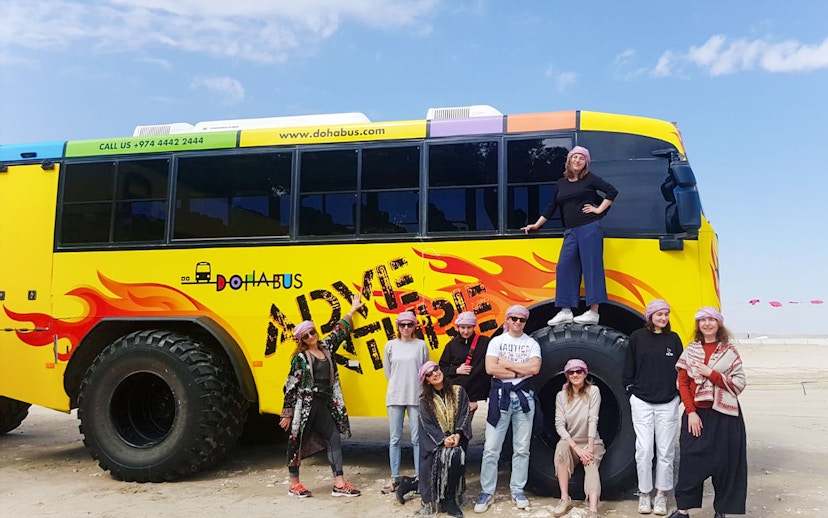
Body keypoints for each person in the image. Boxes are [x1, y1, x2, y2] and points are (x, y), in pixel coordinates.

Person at [521, 145, 618, 326]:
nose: (578, 160)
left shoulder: (589, 179)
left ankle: (593, 312)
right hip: (571, 231)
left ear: (585, 163)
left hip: (589, 228)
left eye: (582, 158)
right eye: (575, 157)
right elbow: (551, 207)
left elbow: (612, 191)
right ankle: (565, 310)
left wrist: (598, 209)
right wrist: (536, 224)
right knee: (564, 267)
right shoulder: (561, 183)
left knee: (591, 268)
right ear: (569, 160)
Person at [279, 293, 364, 498]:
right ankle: (294, 484)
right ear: (301, 340)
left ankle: (339, 483)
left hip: (324, 402)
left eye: (312, 332)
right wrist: (287, 412)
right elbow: (291, 384)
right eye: (306, 336)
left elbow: (339, 331)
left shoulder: (326, 348)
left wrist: (352, 310)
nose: (311, 336)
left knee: (333, 436)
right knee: (296, 439)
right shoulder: (300, 358)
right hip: (304, 404)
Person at [669, 307, 747, 518]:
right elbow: (682, 383)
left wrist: (711, 374)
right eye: (702, 320)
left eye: (711, 320)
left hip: (725, 416)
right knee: (691, 461)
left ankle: (721, 510)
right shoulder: (691, 350)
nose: (707, 324)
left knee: (725, 463)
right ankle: (683, 510)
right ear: (698, 325)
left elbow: (740, 384)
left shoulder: (730, 352)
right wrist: (691, 412)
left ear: (719, 324)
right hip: (697, 414)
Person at [474, 305, 541, 513]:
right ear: (507, 320)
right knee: (491, 448)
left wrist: (508, 365)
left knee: (522, 448)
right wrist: (519, 373)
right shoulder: (497, 342)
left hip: (524, 400)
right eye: (514, 318)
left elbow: (535, 369)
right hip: (501, 398)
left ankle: (517, 489)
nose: (518, 322)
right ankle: (487, 491)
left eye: (522, 320)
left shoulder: (531, 343)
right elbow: (491, 368)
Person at [623, 299, 683, 516]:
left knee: (665, 451)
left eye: (666, 314)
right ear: (650, 316)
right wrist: (631, 391)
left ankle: (660, 495)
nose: (663, 318)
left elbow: (681, 370)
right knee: (644, 450)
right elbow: (629, 367)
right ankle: (644, 493)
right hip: (641, 401)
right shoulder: (637, 337)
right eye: (659, 314)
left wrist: (677, 396)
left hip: (668, 402)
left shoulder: (674, 339)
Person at [416, 361, 472, 518]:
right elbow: (427, 426)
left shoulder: (459, 391)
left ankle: (450, 498)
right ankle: (445, 498)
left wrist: (458, 434)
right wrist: (443, 440)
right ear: (426, 380)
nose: (434, 373)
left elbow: (465, 413)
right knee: (452, 455)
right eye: (429, 373)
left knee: (456, 454)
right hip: (437, 443)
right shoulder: (424, 401)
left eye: (436, 369)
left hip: (457, 437)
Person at [551, 359, 605, 518]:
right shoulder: (561, 396)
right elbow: (559, 425)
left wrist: (588, 448)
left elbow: (592, 419)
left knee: (590, 460)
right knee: (561, 448)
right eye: (571, 372)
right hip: (572, 442)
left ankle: (593, 508)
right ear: (567, 375)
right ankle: (564, 498)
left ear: (585, 373)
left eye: (578, 371)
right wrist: (576, 448)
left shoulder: (593, 391)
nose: (575, 375)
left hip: (591, 440)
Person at [383, 310, 430, 493]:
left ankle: (419, 477)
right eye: (402, 325)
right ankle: (394, 477)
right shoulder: (390, 345)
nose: (406, 328)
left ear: (415, 326)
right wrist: (397, 383)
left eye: (409, 324)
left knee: (417, 439)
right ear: (397, 327)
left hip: (416, 395)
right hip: (395, 395)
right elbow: (388, 371)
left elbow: (424, 370)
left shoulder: (421, 345)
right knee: (394, 438)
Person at [439, 311, 490, 416]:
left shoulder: (485, 342)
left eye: (469, 327)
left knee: (464, 427)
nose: (466, 331)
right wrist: (456, 370)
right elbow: (441, 368)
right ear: (458, 327)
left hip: (475, 392)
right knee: (457, 425)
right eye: (462, 327)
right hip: (456, 393)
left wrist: (474, 399)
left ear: (474, 327)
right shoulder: (451, 345)